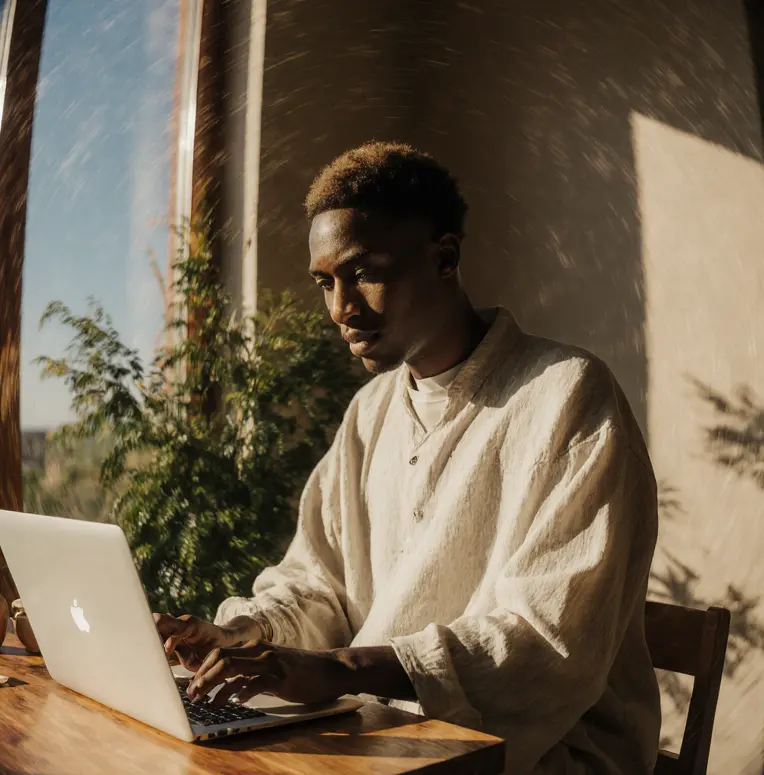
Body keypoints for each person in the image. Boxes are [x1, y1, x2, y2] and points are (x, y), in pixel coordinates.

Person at [155, 142, 661, 774]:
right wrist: (244, 633)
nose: (341, 309)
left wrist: (342, 668)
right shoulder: (369, 413)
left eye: (364, 272)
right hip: (385, 733)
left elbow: (546, 639)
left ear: (444, 258)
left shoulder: (569, 395)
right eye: (325, 282)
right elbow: (320, 581)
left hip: (546, 754)